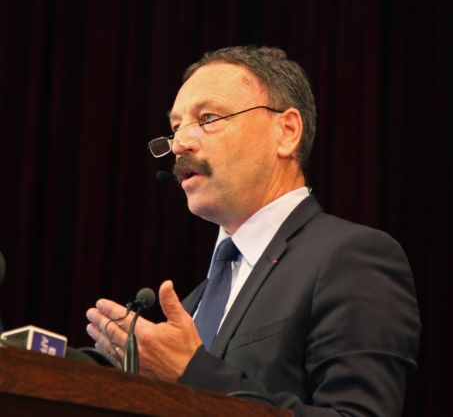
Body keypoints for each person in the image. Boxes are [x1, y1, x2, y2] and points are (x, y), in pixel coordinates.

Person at [86, 46, 420, 416]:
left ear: (286, 132)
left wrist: (193, 372)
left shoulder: (351, 258)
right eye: (176, 127)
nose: (179, 144)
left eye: (208, 118)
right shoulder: (195, 304)